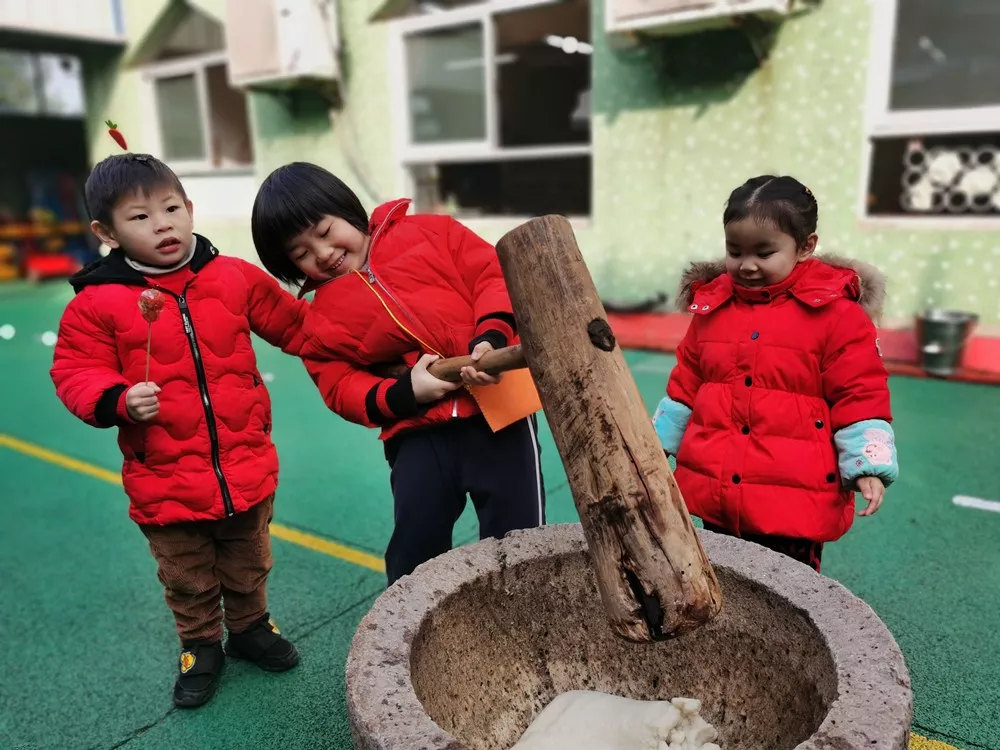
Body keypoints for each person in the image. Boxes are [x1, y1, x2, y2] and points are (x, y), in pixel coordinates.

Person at [50, 153, 312, 708]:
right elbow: (75, 371)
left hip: (244, 462)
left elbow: (297, 327)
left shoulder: (232, 276)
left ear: (189, 208)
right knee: (187, 575)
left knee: (250, 558)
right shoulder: (98, 303)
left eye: (171, 208)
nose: (163, 224)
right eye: (140, 217)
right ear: (106, 233)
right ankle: (200, 646)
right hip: (163, 479)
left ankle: (249, 629)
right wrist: (117, 399)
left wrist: (358, 330)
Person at [250, 162, 545, 586]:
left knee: (518, 537)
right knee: (416, 543)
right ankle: (407, 629)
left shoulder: (432, 232)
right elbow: (340, 386)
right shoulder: (321, 318)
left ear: (347, 211)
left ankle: (525, 616)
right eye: (301, 253)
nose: (323, 253)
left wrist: (490, 339)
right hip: (416, 432)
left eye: (324, 230)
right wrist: (406, 392)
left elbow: (490, 276)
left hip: (500, 413)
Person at [653, 175, 899, 572]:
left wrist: (866, 464)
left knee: (789, 596)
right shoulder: (712, 308)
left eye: (764, 253)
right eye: (735, 252)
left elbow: (860, 393)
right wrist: (658, 443)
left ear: (806, 246)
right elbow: (686, 384)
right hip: (718, 486)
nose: (746, 265)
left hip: (794, 499)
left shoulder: (837, 316)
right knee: (722, 582)